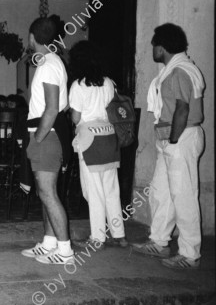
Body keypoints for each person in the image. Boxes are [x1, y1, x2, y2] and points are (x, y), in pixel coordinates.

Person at [132, 23, 205, 269]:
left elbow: (183, 109)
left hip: (180, 138)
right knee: (160, 192)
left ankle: (189, 254)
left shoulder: (179, 72)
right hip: (171, 138)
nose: (152, 48)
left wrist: (172, 140)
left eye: (154, 44)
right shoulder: (174, 69)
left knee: (183, 197)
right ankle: (159, 241)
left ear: (162, 48)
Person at [20, 17, 73, 265]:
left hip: (47, 134)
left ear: (32, 38)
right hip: (47, 133)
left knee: (48, 193)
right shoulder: (52, 62)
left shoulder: (49, 65)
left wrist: (38, 138)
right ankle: (50, 243)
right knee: (45, 193)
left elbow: (52, 109)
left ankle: (65, 251)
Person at [67, 41, 127, 250]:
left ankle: (98, 237)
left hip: (90, 138)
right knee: (111, 189)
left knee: (93, 190)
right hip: (110, 137)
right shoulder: (109, 82)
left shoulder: (78, 85)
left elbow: (76, 118)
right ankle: (119, 234)